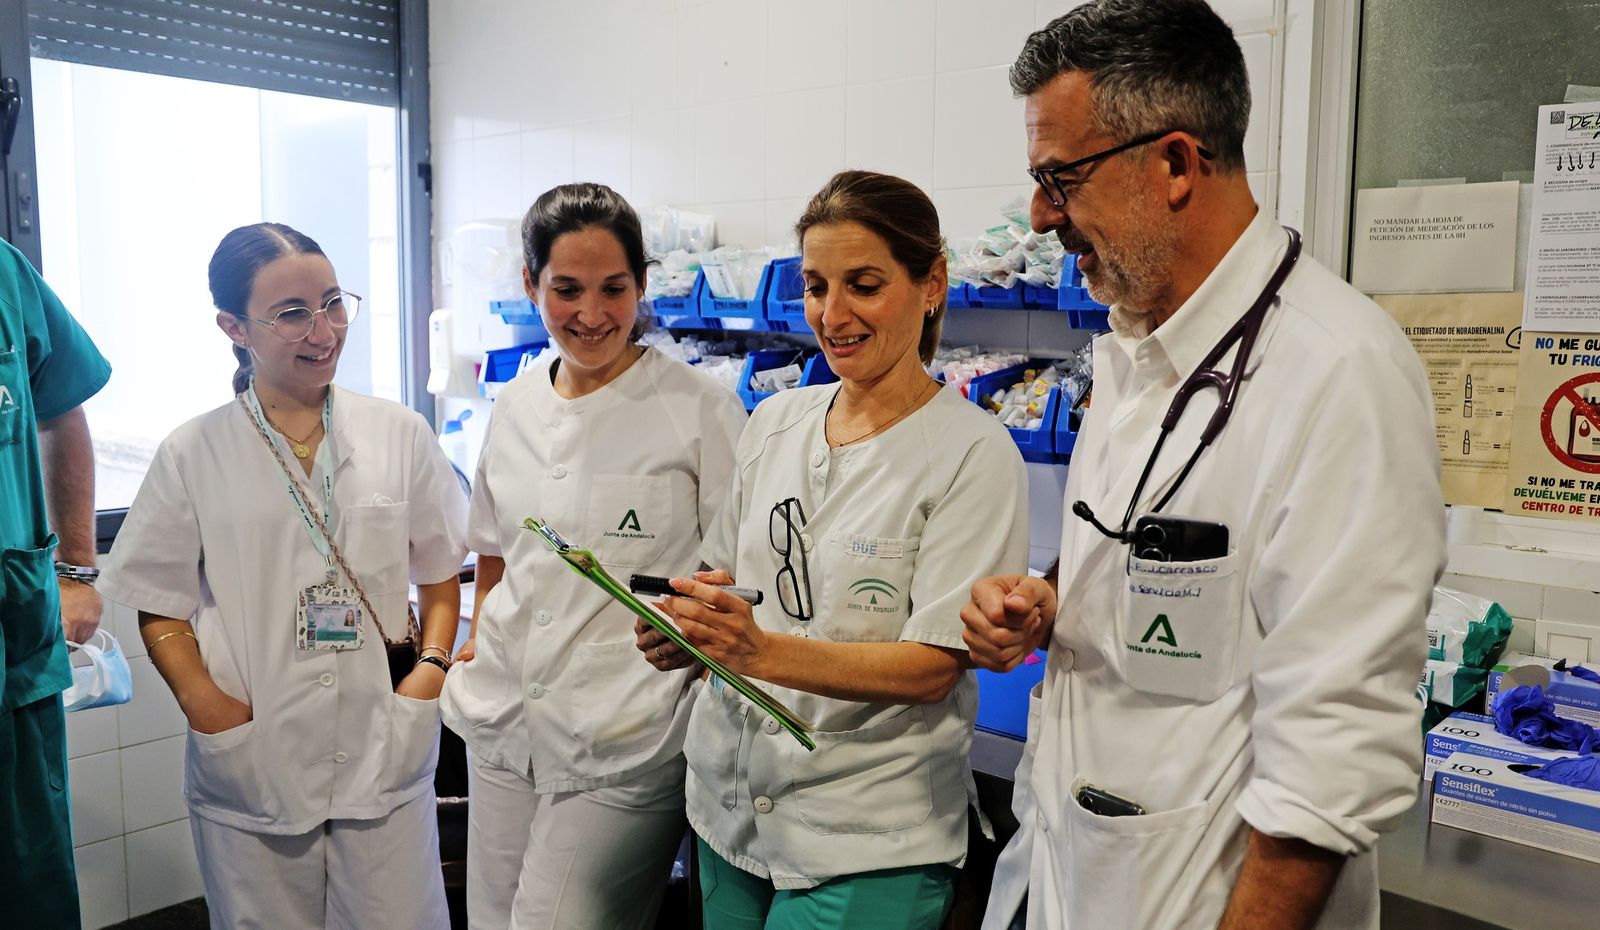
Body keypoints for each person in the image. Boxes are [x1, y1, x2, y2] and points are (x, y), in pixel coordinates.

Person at [960, 3, 1446, 929]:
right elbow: (1172, 559)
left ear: (1176, 164)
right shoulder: (1140, 345)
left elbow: (1331, 763)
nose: (1037, 214)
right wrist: (1052, 599)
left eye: (1061, 178)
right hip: (1072, 867)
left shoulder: (1341, 373)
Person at [636, 170, 1030, 930]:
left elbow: (931, 666)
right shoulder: (776, 420)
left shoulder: (972, 452)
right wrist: (690, 628)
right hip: (728, 814)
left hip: (868, 836)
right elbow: (730, 582)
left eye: (864, 284)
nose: (832, 313)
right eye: (816, 286)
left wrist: (755, 652)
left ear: (932, 285)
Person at [97, 223, 467, 929]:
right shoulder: (193, 452)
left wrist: (430, 672)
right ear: (233, 326)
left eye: (333, 303)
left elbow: (441, 577)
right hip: (253, 748)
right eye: (293, 313)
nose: (323, 330)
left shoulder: (399, 433)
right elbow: (159, 607)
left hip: (380, 741)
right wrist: (205, 703)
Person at [439, 182, 746, 930]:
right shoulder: (514, 403)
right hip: (507, 716)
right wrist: (480, 633)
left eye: (614, 289)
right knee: (491, 918)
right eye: (565, 289)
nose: (592, 314)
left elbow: (740, 565)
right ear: (530, 284)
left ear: (642, 283)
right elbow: (495, 547)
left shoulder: (698, 407)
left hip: (628, 728)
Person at [0, 238, 111, 929]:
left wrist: (75, 569)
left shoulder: (5, 271)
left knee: (32, 882)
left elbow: (60, 411)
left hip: (16, 642)